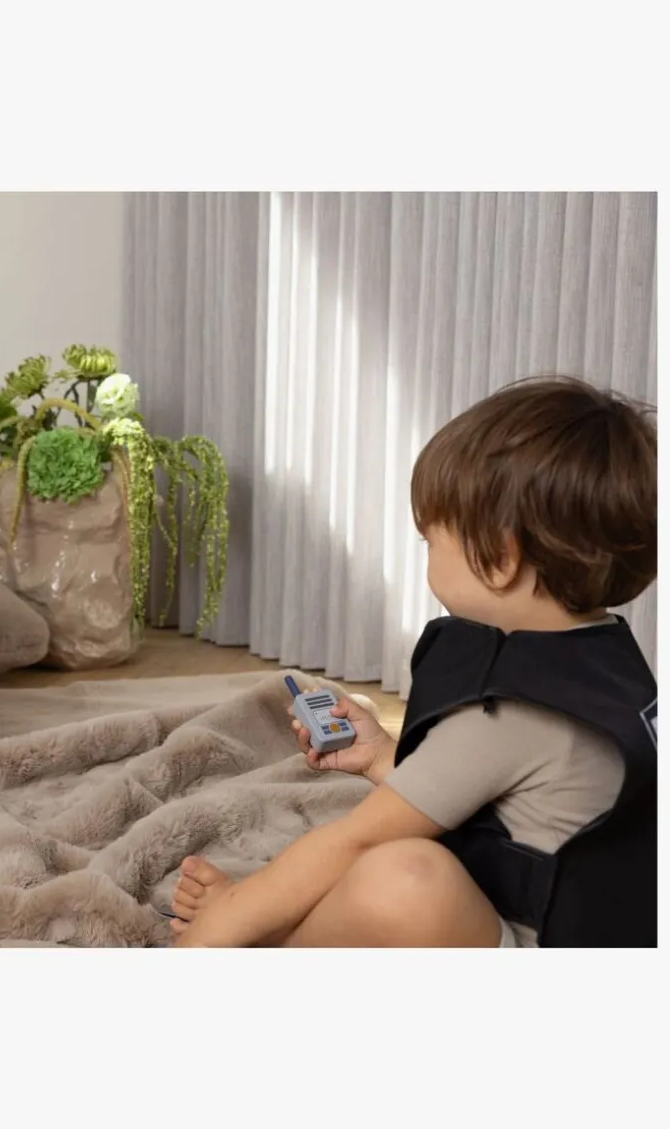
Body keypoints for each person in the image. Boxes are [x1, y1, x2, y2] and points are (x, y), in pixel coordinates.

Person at [170, 376, 657, 948]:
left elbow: (357, 839)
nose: (428, 552)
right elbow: (501, 804)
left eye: (432, 540)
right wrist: (383, 757)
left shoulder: (511, 714)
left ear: (500, 559)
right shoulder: (605, 662)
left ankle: (271, 949)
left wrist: (232, 912)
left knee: (400, 876)